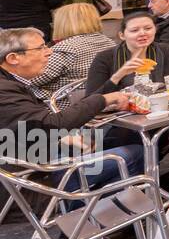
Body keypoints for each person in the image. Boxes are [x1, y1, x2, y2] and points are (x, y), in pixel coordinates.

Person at [0, 28, 141, 192]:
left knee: (109, 140)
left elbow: (23, 127)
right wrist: (104, 99)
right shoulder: (5, 90)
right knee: (134, 154)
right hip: (33, 177)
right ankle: (83, 210)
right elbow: (48, 124)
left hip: (32, 154)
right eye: (41, 48)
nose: (49, 52)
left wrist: (61, 139)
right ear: (13, 58)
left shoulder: (10, 83)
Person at [29, 3, 117, 98]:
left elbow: (31, 80)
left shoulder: (65, 48)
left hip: (66, 104)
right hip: (104, 98)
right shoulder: (110, 43)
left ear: (62, 23)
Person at [85, 9, 169, 96]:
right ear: (122, 35)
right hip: (118, 110)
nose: (142, 33)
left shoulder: (165, 50)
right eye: (134, 30)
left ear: (155, 30)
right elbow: (90, 100)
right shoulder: (105, 57)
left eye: (148, 28)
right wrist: (118, 75)